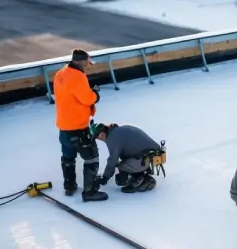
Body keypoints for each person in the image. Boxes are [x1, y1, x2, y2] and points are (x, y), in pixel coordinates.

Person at [54, 48, 107, 202]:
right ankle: (89, 192)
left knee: (68, 157)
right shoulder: (78, 76)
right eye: (88, 62)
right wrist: (95, 94)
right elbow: (86, 99)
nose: (88, 65)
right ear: (82, 61)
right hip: (78, 127)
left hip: (64, 126)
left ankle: (69, 186)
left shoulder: (61, 73)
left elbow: (71, 95)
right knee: (92, 158)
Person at [90, 122, 163, 193]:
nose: (99, 140)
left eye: (97, 137)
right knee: (123, 161)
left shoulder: (113, 138)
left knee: (121, 166)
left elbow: (113, 160)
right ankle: (142, 171)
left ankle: (141, 180)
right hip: (151, 153)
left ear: (101, 134)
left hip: (148, 156)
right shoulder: (117, 131)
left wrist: (105, 178)